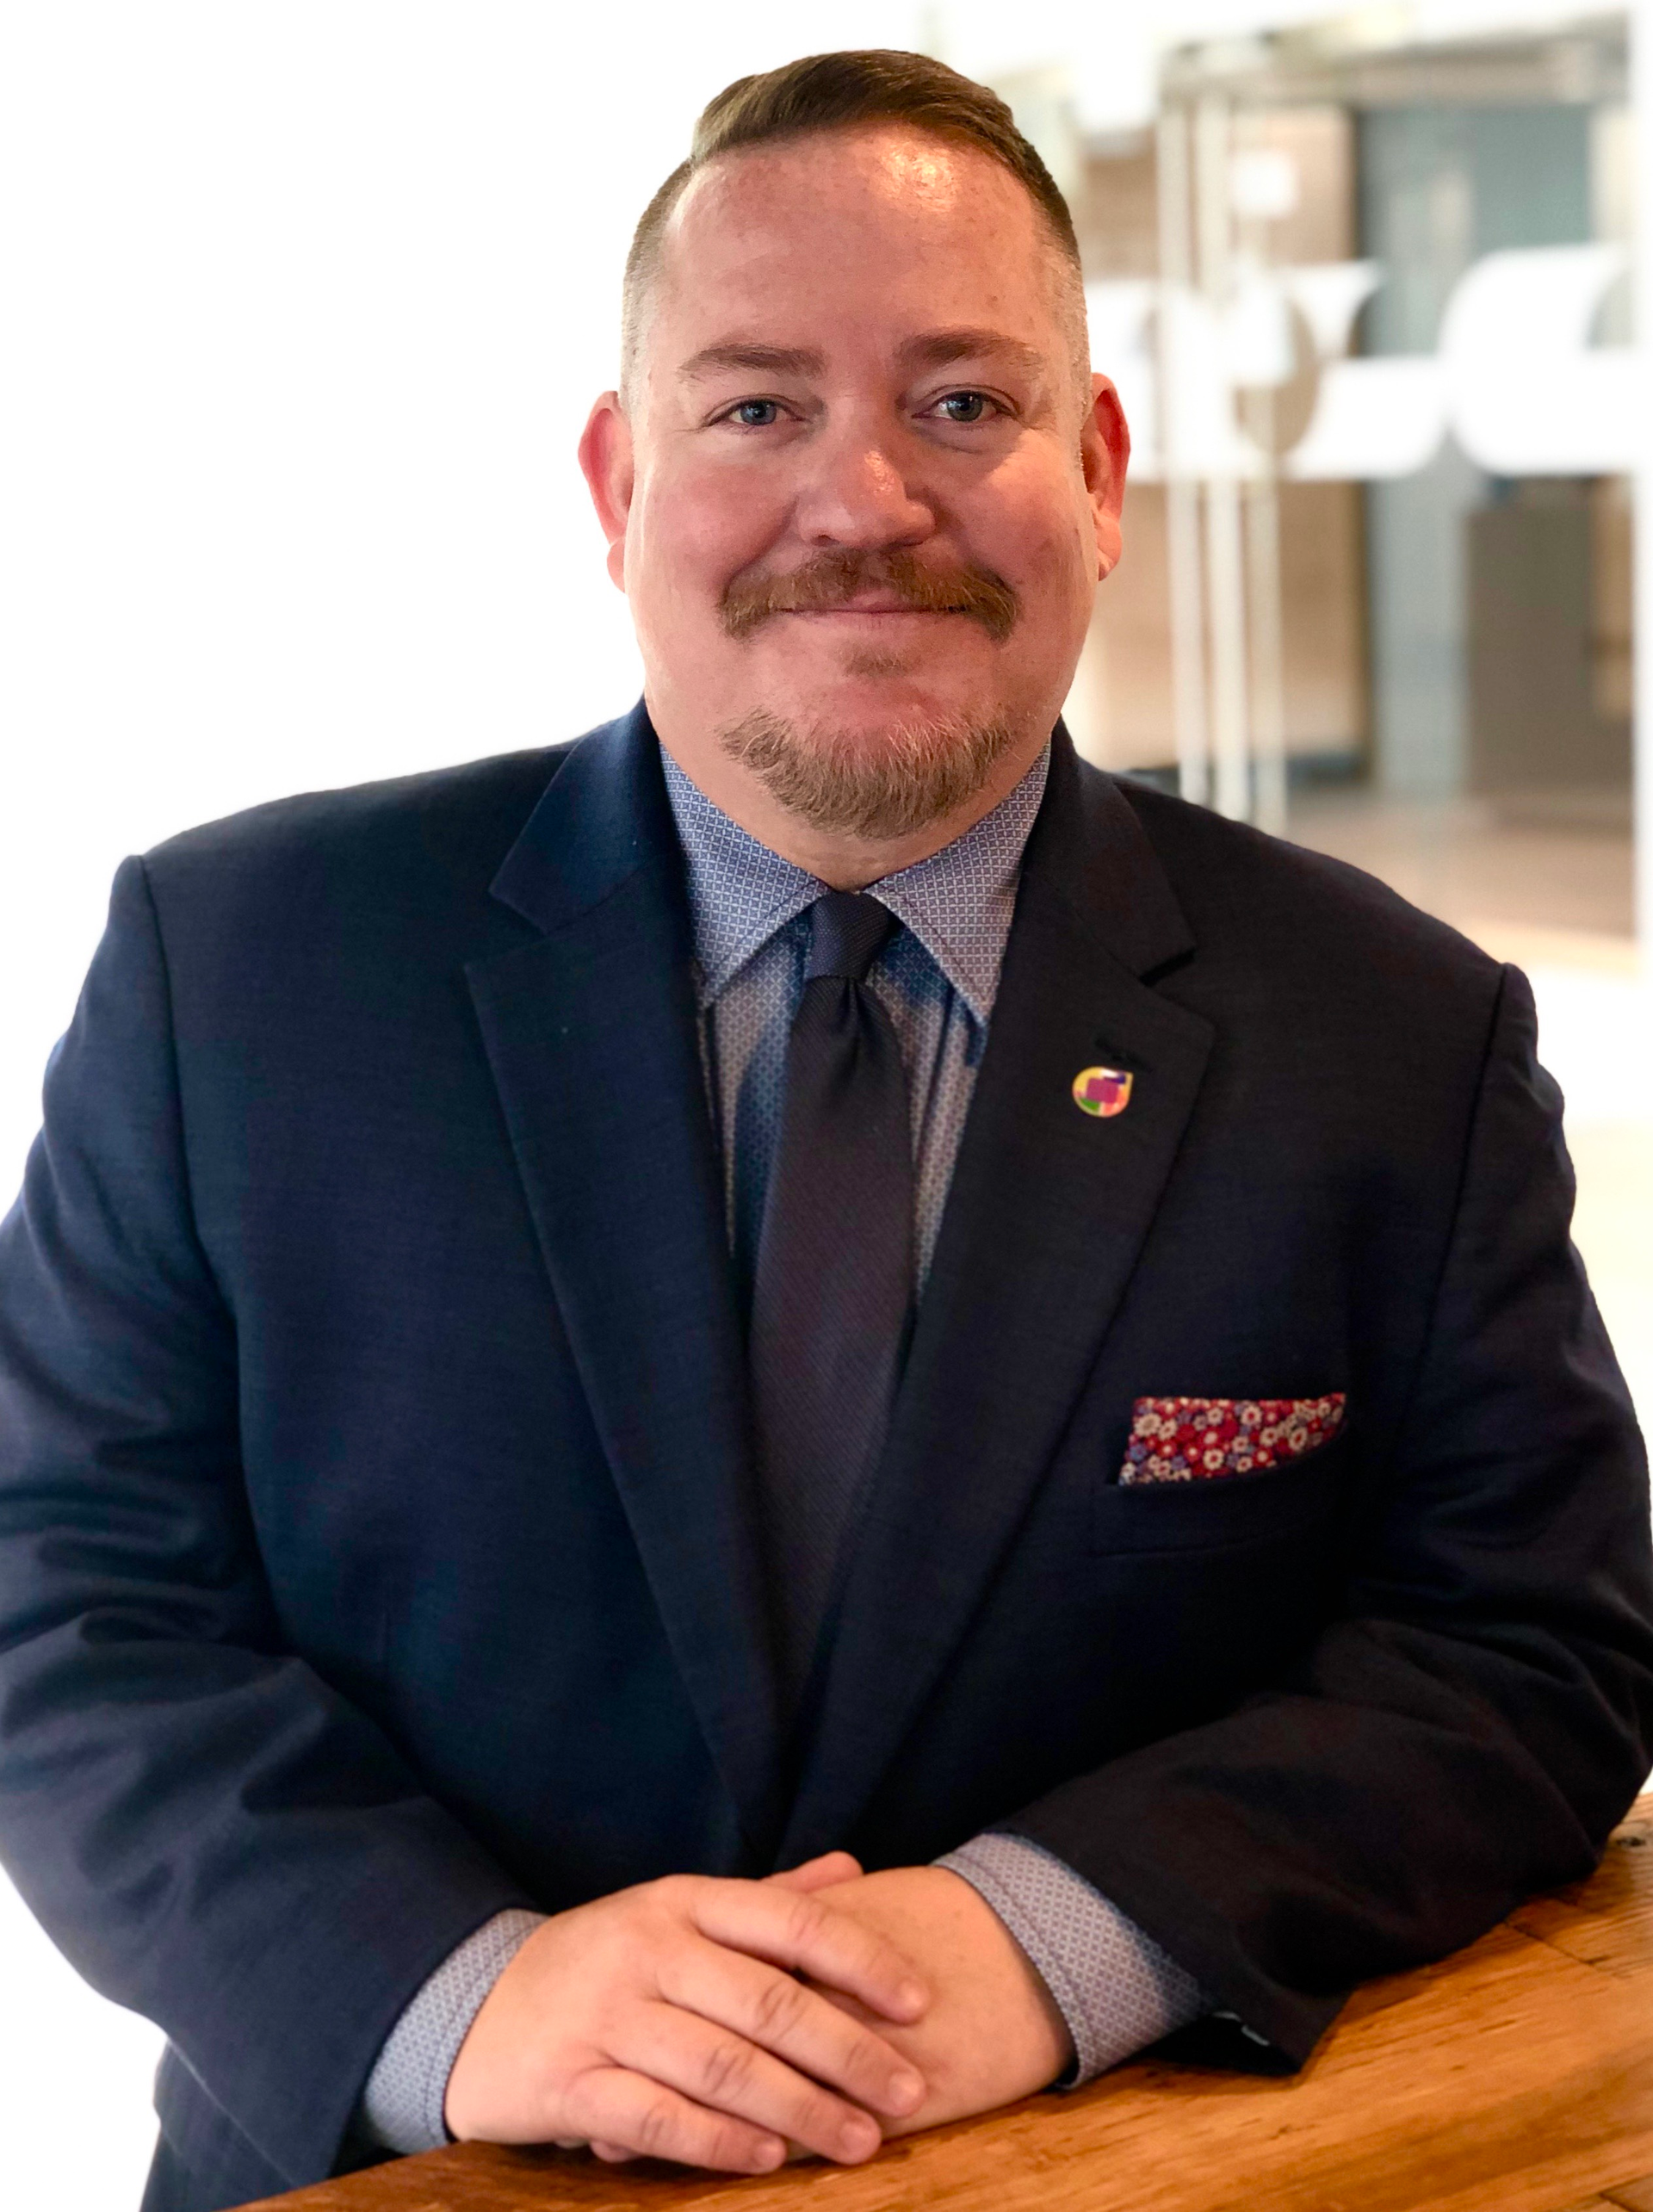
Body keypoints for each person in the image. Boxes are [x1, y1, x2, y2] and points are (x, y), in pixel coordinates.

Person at [1, 47, 1650, 2212]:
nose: (864, 500)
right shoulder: (243, 972)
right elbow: (64, 1600)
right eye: (758, 408)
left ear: (1099, 470)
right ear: (618, 485)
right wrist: (460, 1993)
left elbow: (1531, 1647)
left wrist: (1055, 1935)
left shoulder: (1395, 1034)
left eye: (961, 401)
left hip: (1116, 2168)